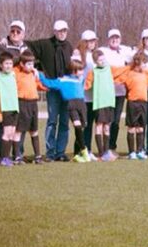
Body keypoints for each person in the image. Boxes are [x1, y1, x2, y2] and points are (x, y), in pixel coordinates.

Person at [26, 20, 74, 161]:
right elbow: (27, 45)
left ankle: (61, 152)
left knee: (65, 122)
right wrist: (38, 68)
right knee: (52, 120)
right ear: (54, 31)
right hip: (52, 88)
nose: (62, 33)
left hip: (66, 89)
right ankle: (50, 152)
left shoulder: (69, 46)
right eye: (60, 31)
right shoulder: (45, 44)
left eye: (64, 30)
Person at [109, 52, 148, 160]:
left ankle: (140, 151)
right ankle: (132, 152)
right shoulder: (129, 73)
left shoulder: (146, 74)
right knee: (132, 128)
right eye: (144, 63)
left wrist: (146, 70)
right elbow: (118, 77)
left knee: (141, 128)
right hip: (133, 103)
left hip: (144, 103)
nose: (146, 66)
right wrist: (128, 67)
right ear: (138, 63)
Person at [0, 20, 29, 158]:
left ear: (23, 34)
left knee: (20, 125)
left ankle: (18, 154)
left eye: (18, 31)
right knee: (4, 125)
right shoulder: (2, 45)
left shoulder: (27, 47)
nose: (15, 34)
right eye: (13, 31)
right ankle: (2, 154)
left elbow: (33, 61)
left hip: (20, 90)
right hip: (6, 91)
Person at [38, 59, 91, 163]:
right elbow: (49, 83)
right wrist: (39, 75)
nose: (82, 72)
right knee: (77, 126)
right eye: (79, 70)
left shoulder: (81, 79)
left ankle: (79, 153)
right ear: (73, 70)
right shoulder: (62, 80)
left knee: (82, 128)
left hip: (82, 105)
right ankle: (84, 151)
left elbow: (86, 83)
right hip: (71, 105)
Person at [101, 29, 133, 154]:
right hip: (107, 92)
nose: (115, 40)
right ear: (108, 39)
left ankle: (112, 146)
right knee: (107, 121)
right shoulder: (104, 51)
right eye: (112, 38)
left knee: (116, 121)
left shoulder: (124, 51)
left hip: (120, 92)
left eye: (117, 38)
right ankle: (105, 147)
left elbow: (136, 57)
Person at [83, 48, 118, 161]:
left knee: (107, 127)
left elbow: (123, 72)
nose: (102, 62)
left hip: (109, 102)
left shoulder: (110, 69)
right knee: (99, 126)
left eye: (103, 59)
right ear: (95, 62)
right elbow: (86, 85)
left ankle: (107, 152)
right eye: (99, 60)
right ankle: (101, 153)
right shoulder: (93, 72)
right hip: (99, 103)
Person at [13, 49, 46, 164]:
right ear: (22, 64)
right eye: (28, 64)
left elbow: (39, 85)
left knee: (34, 130)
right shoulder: (16, 72)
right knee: (18, 131)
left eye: (32, 63)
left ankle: (37, 156)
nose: (31, 66)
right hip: (22, 103)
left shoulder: (34, 73)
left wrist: (46, 85)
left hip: (33, 104)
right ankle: (17, 156)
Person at [0, 52, 20, 167]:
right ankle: (3, 158)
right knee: (6, 133)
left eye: (10, 63)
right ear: (0, 65)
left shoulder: (13, 75)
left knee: (12, 133)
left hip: (14, 108)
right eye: (6, 63)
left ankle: (7, 157)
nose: (8, 66)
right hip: (5, 109)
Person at [72, 30, 98, 153]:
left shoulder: (96, 55)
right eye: (89, 41)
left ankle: (88, 149)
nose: (92, 43)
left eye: (93, 41)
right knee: (82, 125)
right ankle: (80, 149)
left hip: (94, 96)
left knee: (89, 125)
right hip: (82, 95)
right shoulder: (78, 55)